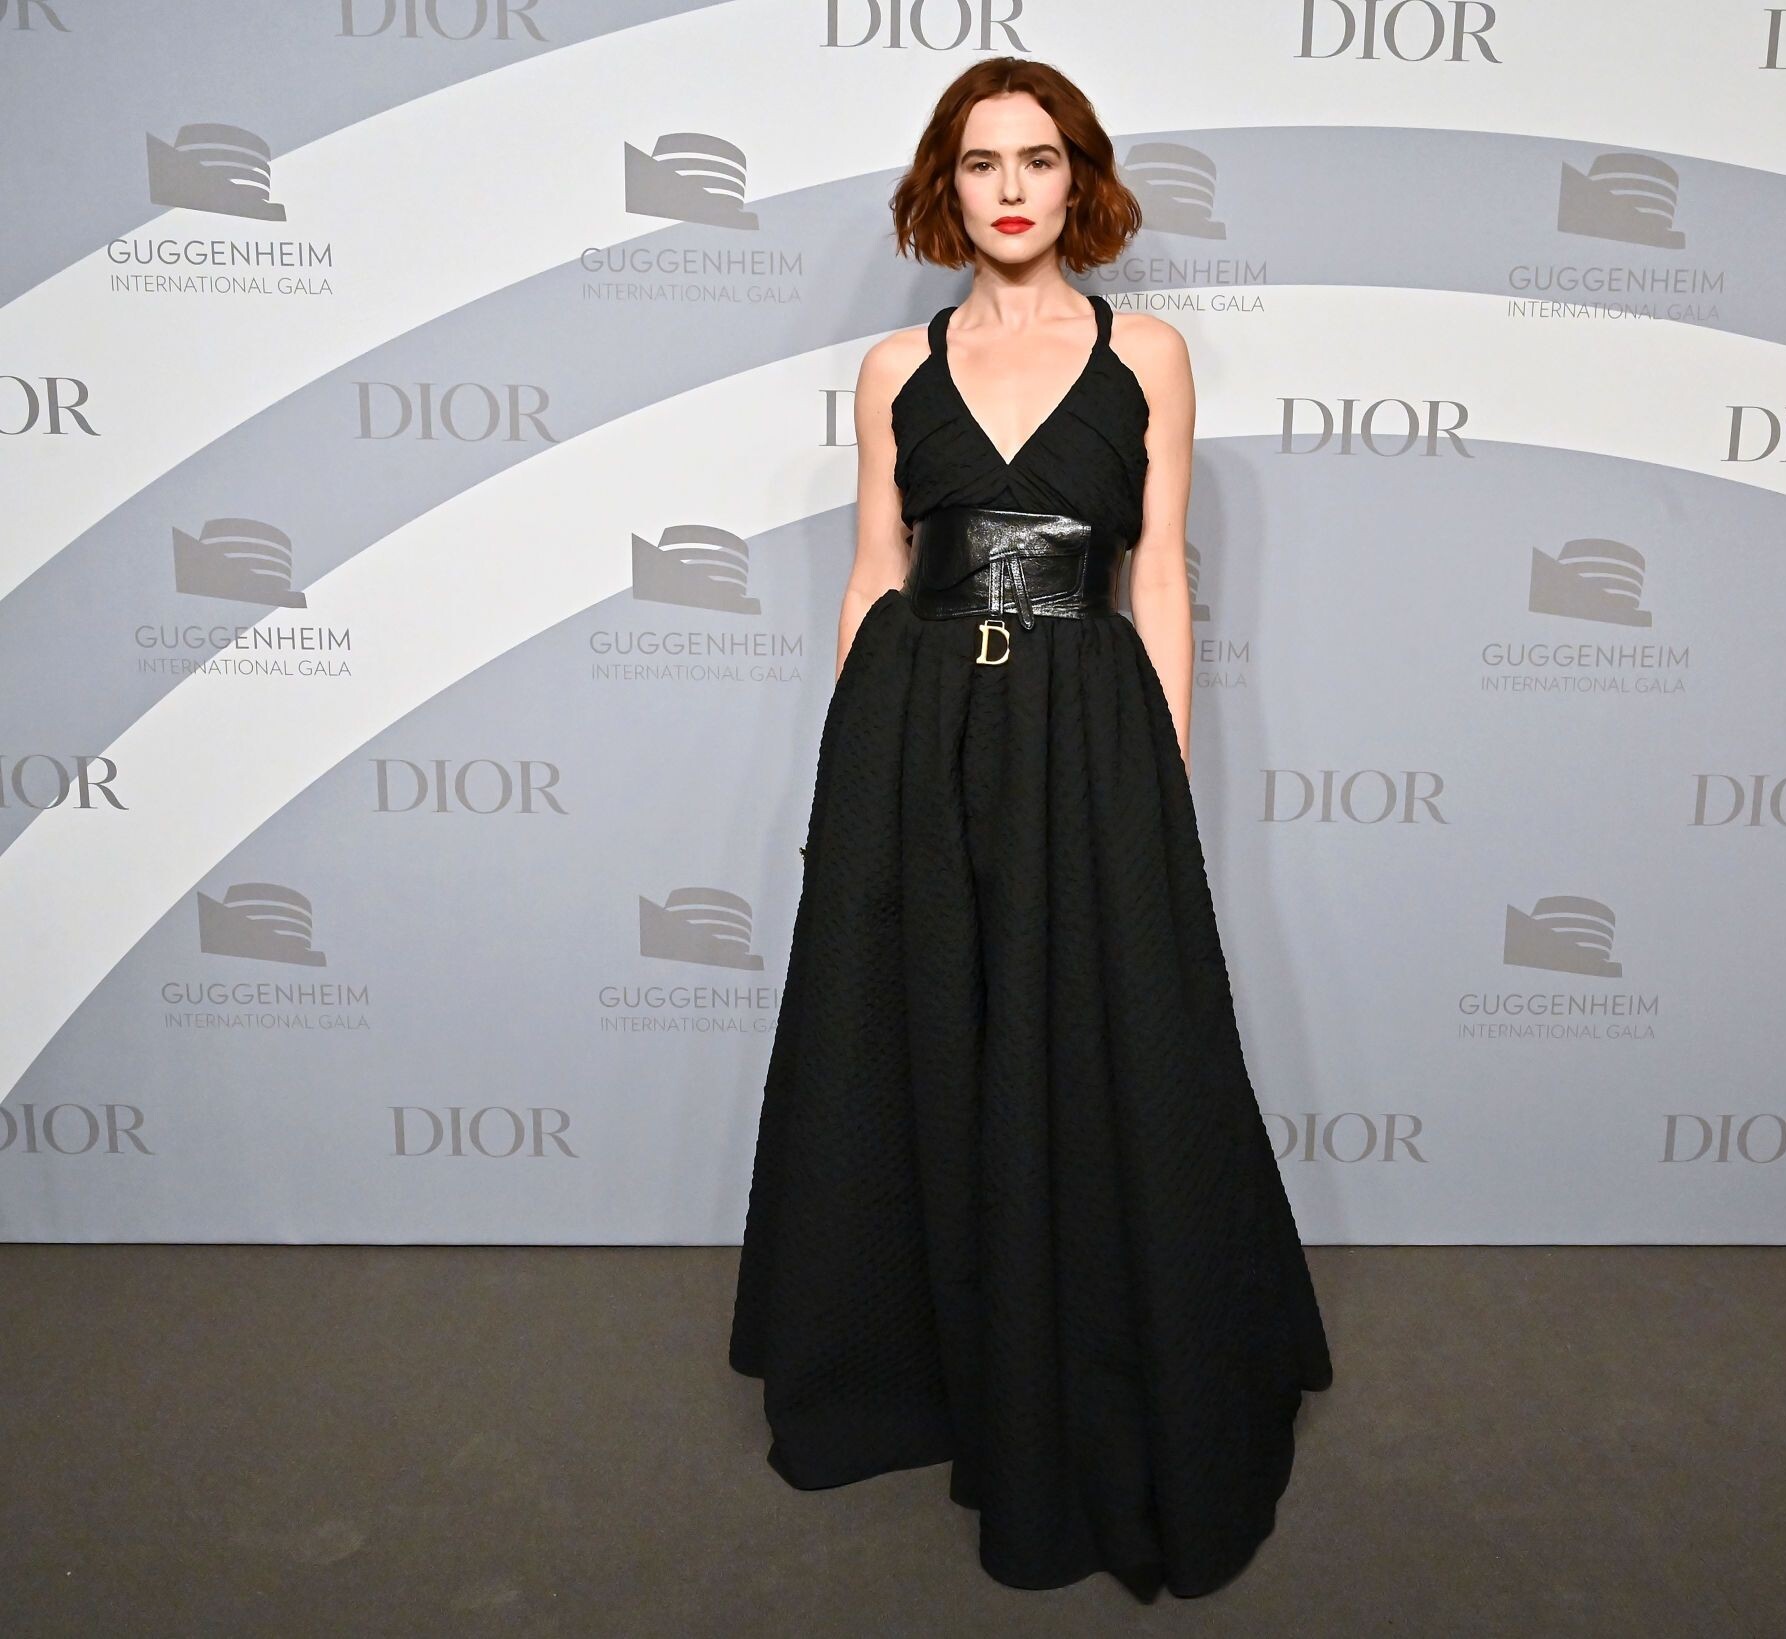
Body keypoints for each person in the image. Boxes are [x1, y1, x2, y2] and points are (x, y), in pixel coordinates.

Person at [729, 56, 1333, 1600]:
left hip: (1083, 724)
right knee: (914, 1030)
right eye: (984, 161)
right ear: (948, 183)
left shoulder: (1149, 354)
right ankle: (920, 1369)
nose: (1013, 189)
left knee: (1099, 1039)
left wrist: (1160, 779)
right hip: (914, 724)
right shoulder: (895, 366)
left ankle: (1096, 1358)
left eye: (1041, 159)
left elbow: (1159, 577)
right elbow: (875, 572)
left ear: (1081, 181)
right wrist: (846, 779)